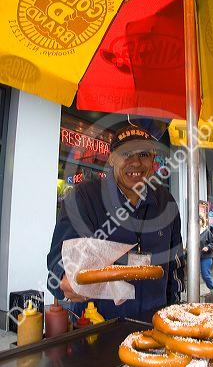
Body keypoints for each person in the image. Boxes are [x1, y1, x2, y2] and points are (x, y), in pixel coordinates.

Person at [47, 125, 185, 320]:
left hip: (153, 325)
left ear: (154, 160)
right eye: (126, 153)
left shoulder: (166, 202)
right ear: (111, 158)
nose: (135, 162)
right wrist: (63, 275)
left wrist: (172, 311)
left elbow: (176, 263)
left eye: (144, 154)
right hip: (97, 326)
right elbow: (59, 257)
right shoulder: (84, 196)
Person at [199, 216, 213, 291]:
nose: (197, 222)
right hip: (195, 257)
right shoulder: (193, 232)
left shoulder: (207, 232)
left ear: (202, 221)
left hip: (206, 257)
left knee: (205, 275)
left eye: (199, 220)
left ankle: (211, 286)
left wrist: (208, 247)